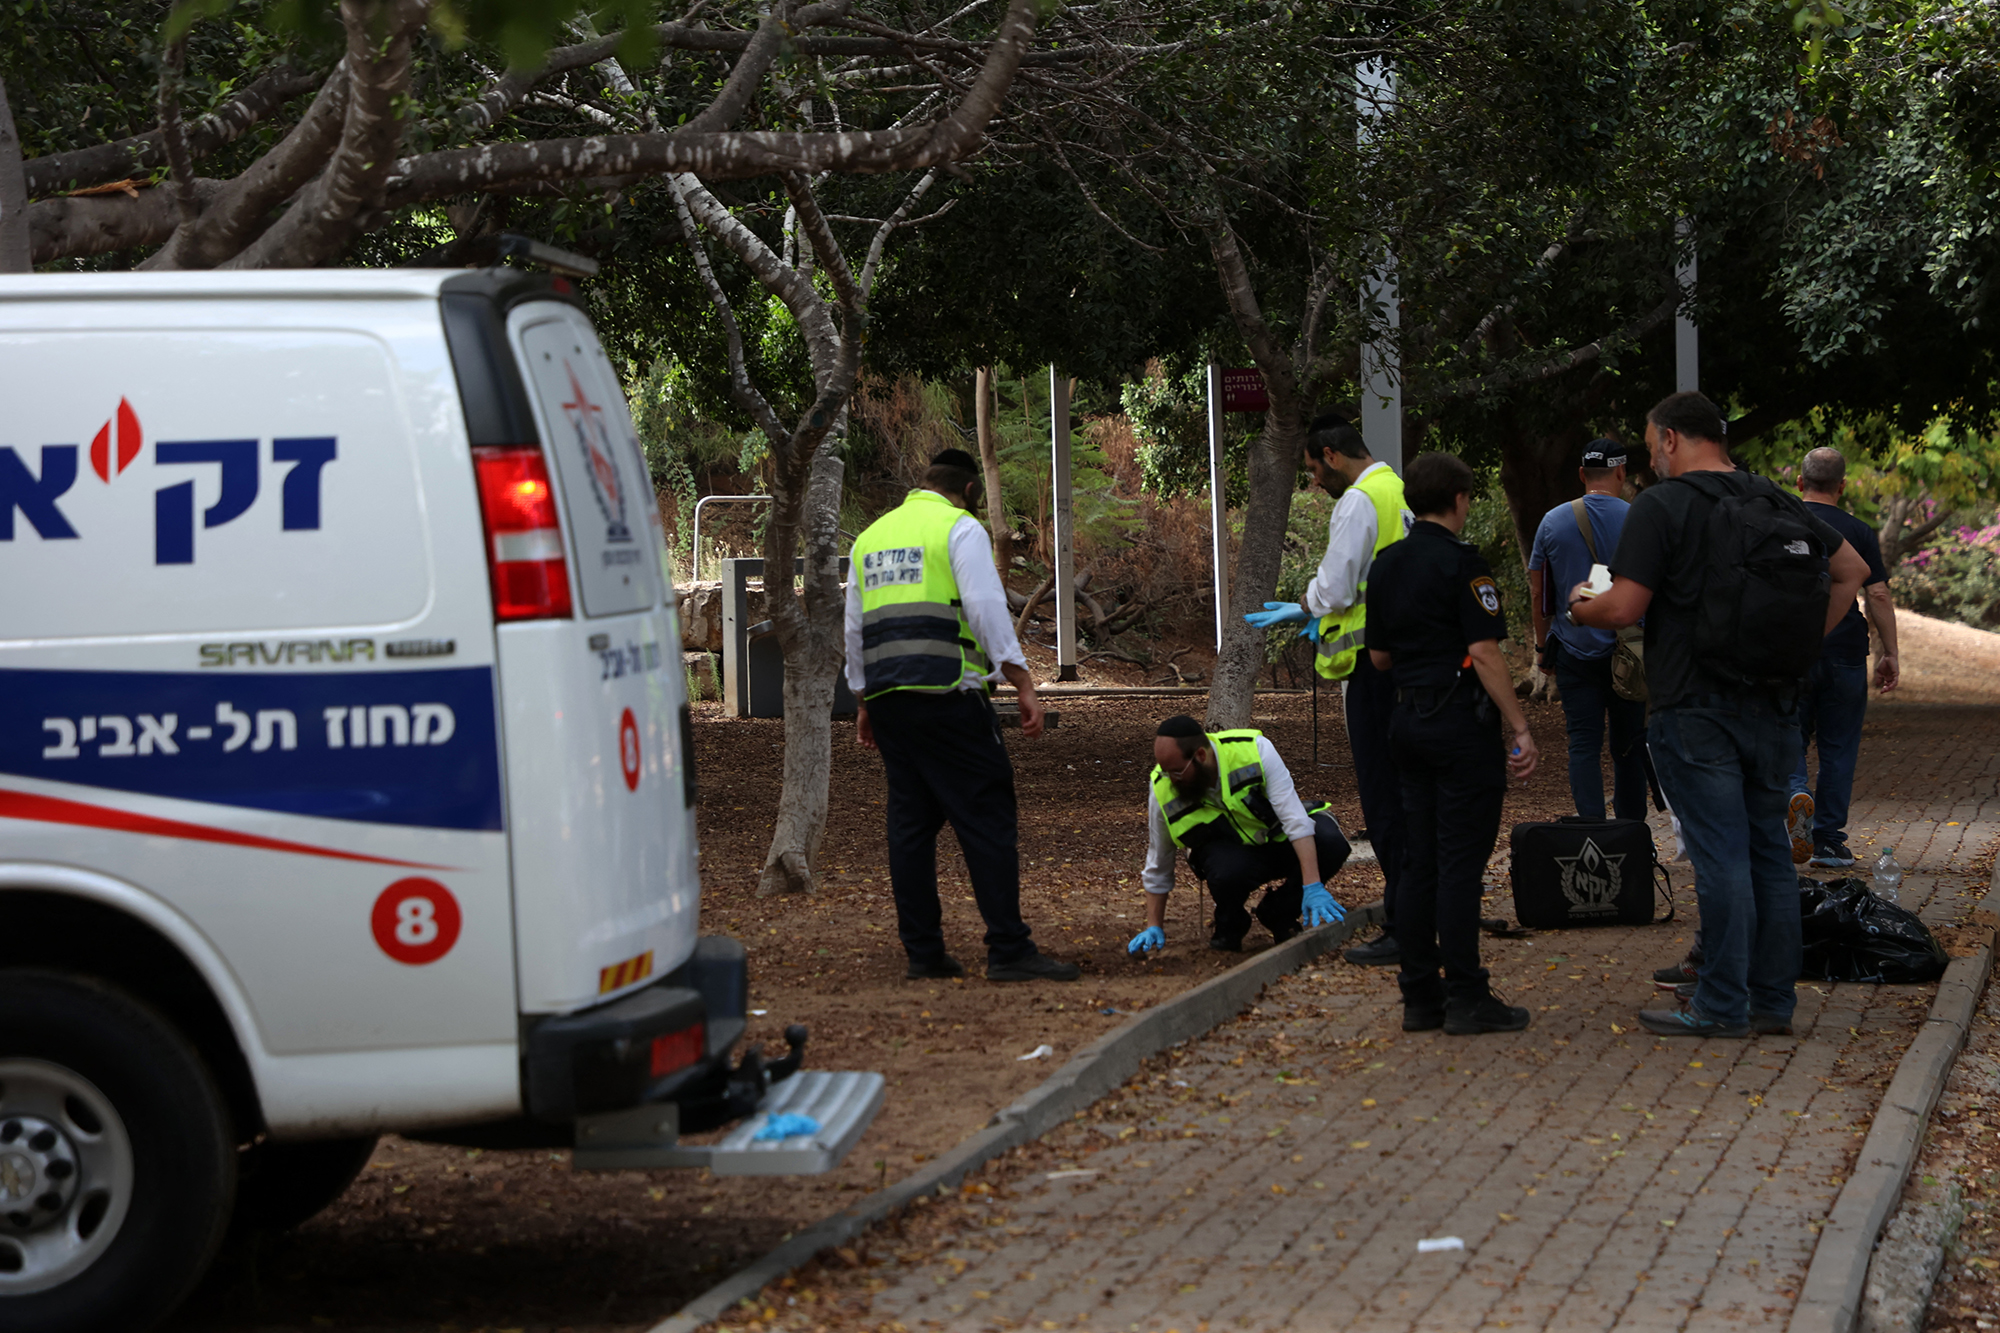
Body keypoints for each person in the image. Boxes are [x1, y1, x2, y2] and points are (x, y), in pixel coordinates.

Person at [1571, 393, 1870, 1038]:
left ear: (1673, 438)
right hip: (1774, 705)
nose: (1650, 457)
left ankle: (1719, 1006)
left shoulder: (1662, 505)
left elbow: (1623, 608)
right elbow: (1852, 569)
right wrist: (1802, 641)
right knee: (1768, 852)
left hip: (1694, 708)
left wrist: (1578, 607)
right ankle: (1772, 1004)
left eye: (1652, 445)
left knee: (1721, 858)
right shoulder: (1775, 499)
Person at [845, 448, 1080, 984]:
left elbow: (854, 625)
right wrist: (1021, 679)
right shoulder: (958, 528)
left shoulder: (871, 538)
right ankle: (1009, 949)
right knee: (987, 815)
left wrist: (862, 700)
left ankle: (923, 953)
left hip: (889, 700)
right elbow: (983, 605)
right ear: (972, 491)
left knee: (911, 825)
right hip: (947, 694)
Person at [1362, 451, 1539, 1035]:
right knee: (1461, 863)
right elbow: (1485, 651)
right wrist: (1519, 726)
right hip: (1460, 725)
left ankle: (1419, 995)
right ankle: (1467, 994)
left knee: (1418, 861)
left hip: (1406, 722)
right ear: (1460, 500)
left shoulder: (1386, 565)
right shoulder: (1465, 564)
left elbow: (1380, 656)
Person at [1244, 414, 1410, 968]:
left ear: (1331, 455)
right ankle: (1419, 909)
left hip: (1371, 669)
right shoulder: (1396, 492)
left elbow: (1338, 586)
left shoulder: (1360, 500)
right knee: (1410, 794)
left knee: (1384, 796)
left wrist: (1308, 603)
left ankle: (1404, 925)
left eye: (1314, 469)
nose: (1314, 481)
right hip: (1406, 665)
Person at [1127, 716, 1352, 955]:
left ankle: (1280, 913)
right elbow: (1159, 860)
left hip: (1279, 840)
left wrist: (1312, 885)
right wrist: (1154, 925)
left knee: (1330, 842)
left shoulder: (1254, 750)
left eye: (1176, 772)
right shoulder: (1162, 786)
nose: (1171, 780)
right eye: (1165, 771)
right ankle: (1230, 926)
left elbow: (1295, 820)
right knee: (1226, 872)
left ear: (1201, 756)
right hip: (1234, 857)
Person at [1788, 446, 1900, 868]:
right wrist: (1889, 652)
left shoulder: (1782, 523)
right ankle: (1829, 842)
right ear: (1843, 486)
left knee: (1788, 737)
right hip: (1846, 650)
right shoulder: (1859, 531)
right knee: (1839, 748)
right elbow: (1878, 594)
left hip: (1791, 649)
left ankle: (1794, 798)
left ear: (1800, 483)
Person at [1527, 439, 1650, 821]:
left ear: (1581, 474)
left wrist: (1541, 647)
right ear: (1621, 473)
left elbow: (1538, 591)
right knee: (1629, 744)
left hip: (1574, 649)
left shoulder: (1552, 521)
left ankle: (1593, 831)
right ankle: (1632, 833)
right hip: (1631, 652)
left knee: (1582, 744)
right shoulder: (1640, 519)